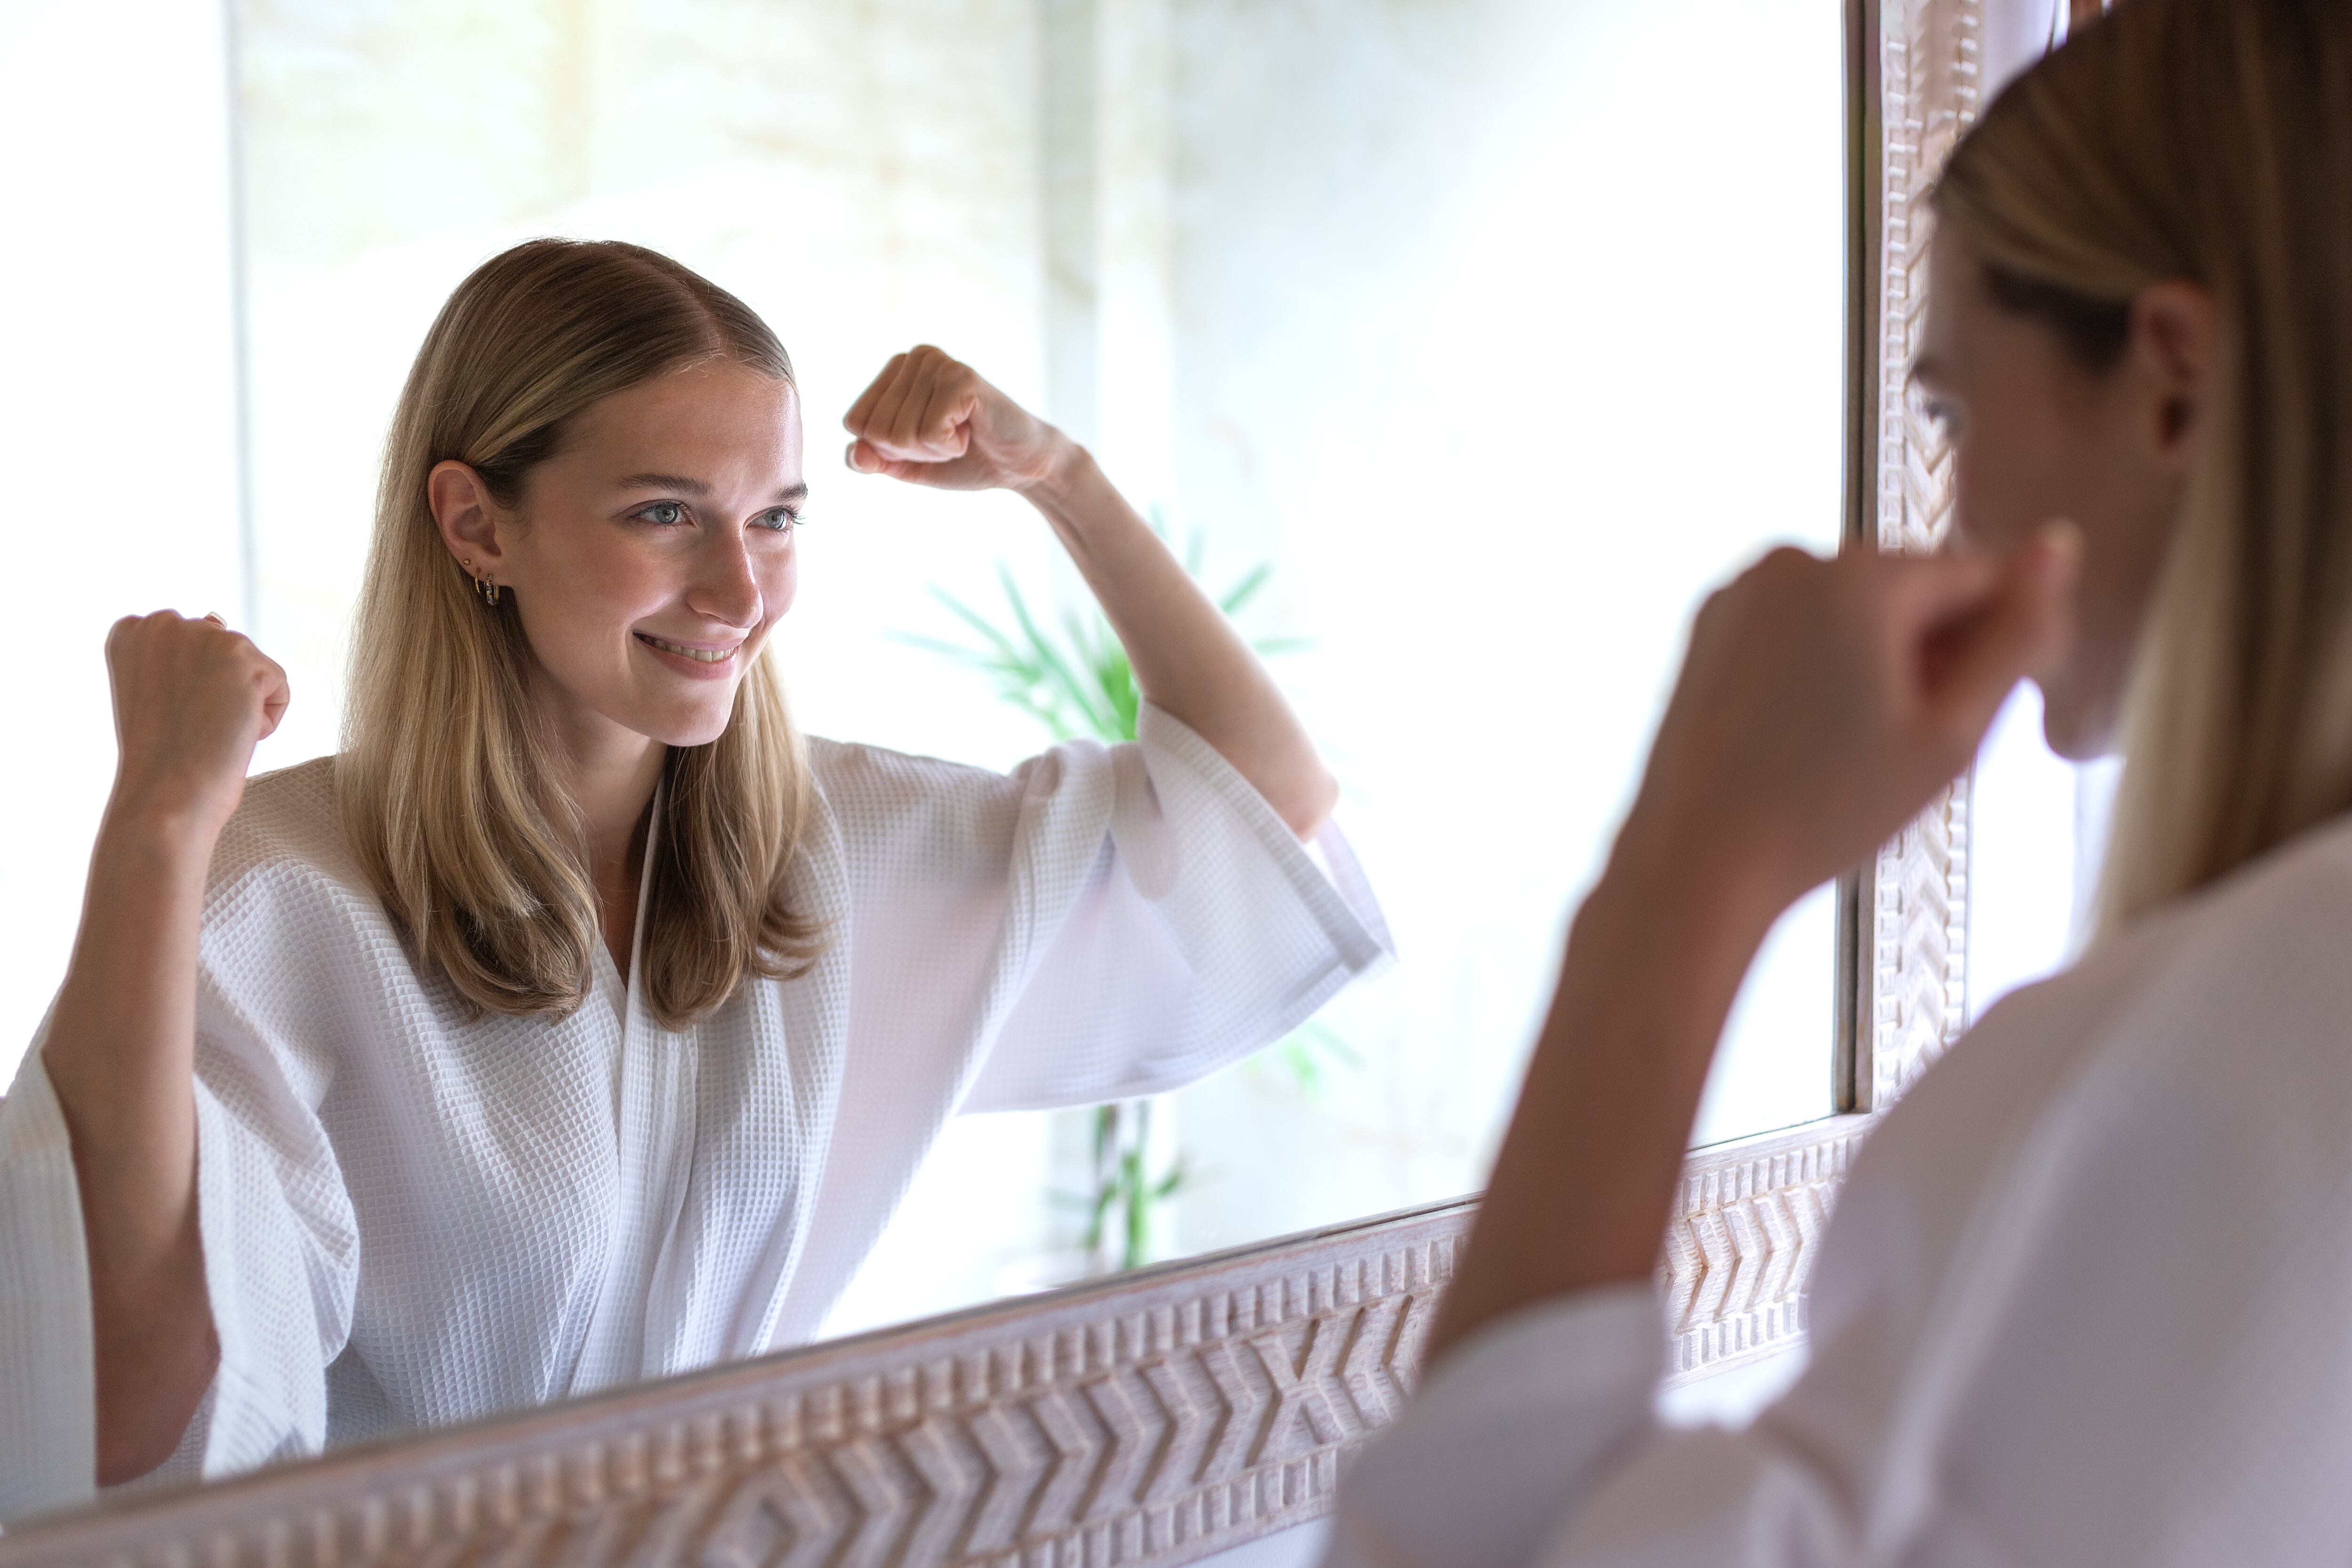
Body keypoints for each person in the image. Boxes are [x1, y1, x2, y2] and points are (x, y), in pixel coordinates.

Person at [0, 240, 1389, 1519]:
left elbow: (1261, 834)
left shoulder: (833, 849)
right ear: (476, 525)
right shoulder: (280, 893)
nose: (740, 591)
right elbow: (118, 1406)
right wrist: (158, 823)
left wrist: (1059, 478)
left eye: (776, 517)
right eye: (666, 513)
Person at [1327, 0, 2352, 1562]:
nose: (1948, 518)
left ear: (2174, 392)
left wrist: (1685, 875)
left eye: (1950, 408)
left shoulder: (2185, 1100)